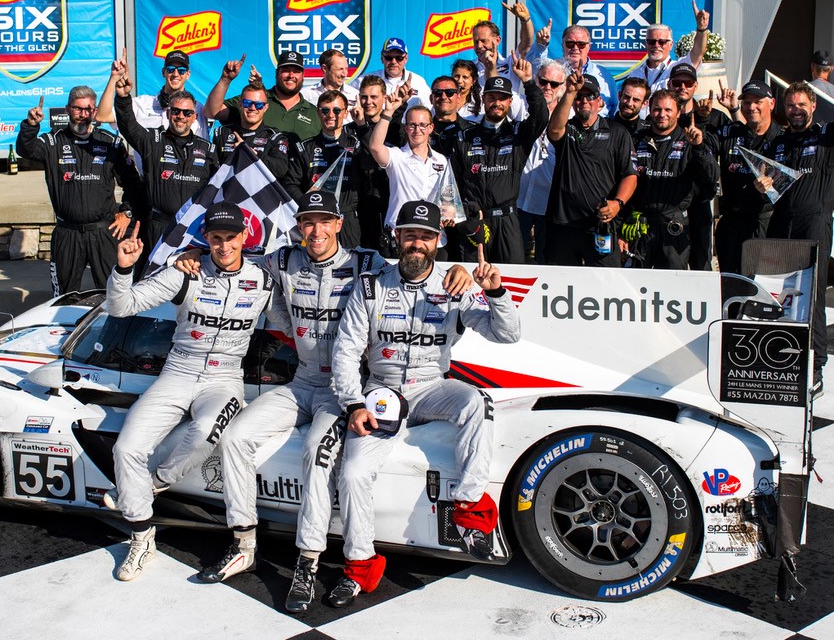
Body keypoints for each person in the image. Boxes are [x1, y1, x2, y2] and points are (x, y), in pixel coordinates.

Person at [187, 192, 472, 610]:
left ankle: (308, 562)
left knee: (315, 456)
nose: (316, 231)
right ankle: (244, 543)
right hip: (300, 381)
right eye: (308, 223)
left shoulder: (367, 263)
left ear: (339, 224)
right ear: (299, 227)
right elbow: (233, 257)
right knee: (235, 436)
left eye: (324, 222)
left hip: (343, 390)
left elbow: (413, 270)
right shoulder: (283, 261)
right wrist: (193, 253)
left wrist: (458, 270)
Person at [326, 200, 522, 607]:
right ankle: (359, 565)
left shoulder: (456, 285)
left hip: (433, 387)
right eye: (410, 235)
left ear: (438, 241)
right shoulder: (371, 286)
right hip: (381, 392)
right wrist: (352, 404)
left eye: (426, 236)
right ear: (397, 238)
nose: (417, 244)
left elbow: (508, 336)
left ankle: (469, 511)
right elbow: (345, 352)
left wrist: (496, 292)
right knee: (355, 471)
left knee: (476, 401)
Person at [102, 204, 274, 581]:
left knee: (208, 430)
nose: (224, 246)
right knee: (127, 447)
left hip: (224, 379)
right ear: (205, 238)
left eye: (231, 238)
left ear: (245, 237)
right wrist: (124, 268)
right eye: (215, 238)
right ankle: (142, 536)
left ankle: (155, 483)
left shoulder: (264, 280)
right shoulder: (185, 272)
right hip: (177, 372)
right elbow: (120, 306)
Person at [758, 43, 834, 396]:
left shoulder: (829, 134)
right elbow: (768, 182)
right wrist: (762, 184)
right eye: (790, 105)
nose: (795, 110)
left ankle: (816, 365)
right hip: (782, 222)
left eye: (801, 105)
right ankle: (779, 355)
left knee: (813, 296)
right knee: (778, 294)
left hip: (814, 223)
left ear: (813, 106)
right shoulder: (778, 144)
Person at [17, 86, 131, 294]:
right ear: (68, 110)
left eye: (88, 109)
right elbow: (25, 149)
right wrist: (31, 126)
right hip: (67, 234)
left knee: (113, 295)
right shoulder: (53, 141)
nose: (83, 114)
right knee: (64, 296)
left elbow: (132, 184)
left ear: (94, 112)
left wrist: (127, 212)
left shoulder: (110, 143)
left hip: (103, 233)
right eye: (78, 109)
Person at [110, 53, 216, 268]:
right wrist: (122, 98)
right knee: (149, 282)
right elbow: (128, 126)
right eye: (176, 112)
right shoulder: (153, 140)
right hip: (157, 225)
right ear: (169, 114)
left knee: (188, 285)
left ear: (194, 117)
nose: (181, 117)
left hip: (192, 228)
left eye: (187, 113)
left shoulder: (206, 149)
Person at [448, 56, 548, 264]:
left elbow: (541, 116)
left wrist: (529, 83)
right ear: (483, 100)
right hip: (475, 220)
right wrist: (462, 218)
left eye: (502, 98)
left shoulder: (519, 134)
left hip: (507, 221)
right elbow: (453, 182)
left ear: (510, 101)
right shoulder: (465, 136)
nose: (497, 103)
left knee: (513, 280)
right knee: (471, 282)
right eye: (492, 97)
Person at [544, 72, 637, 266]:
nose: (583, 100)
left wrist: (617, 203)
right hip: (564, 226)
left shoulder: (618, 132)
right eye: (579, 97)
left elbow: (630, 175)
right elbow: (553, 130)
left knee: (605, 287)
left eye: (590, 96)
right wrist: (570, 92)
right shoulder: (566, 128)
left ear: (600, 101)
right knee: (562, 288)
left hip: (600, 226)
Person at [625, 90, 718, 269]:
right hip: (640, 225)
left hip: (674, 225)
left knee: (671, 286)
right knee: (635, 287)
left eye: (668, 110)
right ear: (650, 110)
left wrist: (698, 148)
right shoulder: (636, 139)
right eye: (657, 109)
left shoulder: (691, 139)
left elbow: (712, 176)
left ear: (678, 112)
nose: (662, 114)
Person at [712, 80, 784, 275]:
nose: (751, 107)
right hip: (731, 225)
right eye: (746, 102)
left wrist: (770, 186)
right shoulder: (732, 134)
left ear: (771, 103)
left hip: (763, 224)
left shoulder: (783, 139)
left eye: (757, 101)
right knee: (729, 285)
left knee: (758, 289)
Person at [368, 91, 451, 256]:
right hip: (400, 237)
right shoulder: (397, 156)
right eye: (412, 125)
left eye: (422, 125)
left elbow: (448, 195)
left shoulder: (440, 160)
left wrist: (449, 213)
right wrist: (388, 112)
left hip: (432, 238)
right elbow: (375, 147)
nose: (417, 130)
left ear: (431, 128)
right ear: (405, 128)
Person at [668, 63, 729, 271]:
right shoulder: (663, 117)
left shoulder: (714, 117)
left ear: (695, 86)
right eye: (677, 83)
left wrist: (732, 109)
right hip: (671, 204)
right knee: (671, 266)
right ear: (669, 85)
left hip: (700, 203)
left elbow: (739, 140)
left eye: (688, 83)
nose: (682, 87)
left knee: (701, 265)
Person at [293, 89, 363, 247]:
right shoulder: (306, 147)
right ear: (318, 113)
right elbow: (290, 183)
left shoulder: (356, 143)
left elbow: (371, 166)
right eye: (325, 110)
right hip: (317, 220)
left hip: (348, 219)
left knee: (349, 267)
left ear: (345, 113)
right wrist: (307, 202)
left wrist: (362, 125)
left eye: (337, 110)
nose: (331, 115)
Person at [210, 73, 298, 195]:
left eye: (258, 105)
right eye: (247, 103)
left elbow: (280, 169)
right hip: (226, 199)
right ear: (240, 104)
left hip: (259, 203)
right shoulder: (222, 133)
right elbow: (210, 169)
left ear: (265, 107)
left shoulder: (275, 137)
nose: (252, 108)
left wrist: (252, 155)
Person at [206, 50, 320, 141]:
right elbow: (212, 112)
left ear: (303, 75)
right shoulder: (256, 101)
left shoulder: (315, 113)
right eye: (286, 70)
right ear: (276, 73)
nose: (291, 75)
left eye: (296, 71)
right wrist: (225, 79)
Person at [518, 60, 568, 262]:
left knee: (545, 262)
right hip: (519, 200)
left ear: (563, 88)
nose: (548, 87)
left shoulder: (570, 118)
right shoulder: (521, 107)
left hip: (549, 205)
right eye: (543, 81)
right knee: (515, 261)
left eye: (554, 84)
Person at [95, 48, 205, 136]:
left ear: (188, 74)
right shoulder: (142, 104)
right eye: (171, 69)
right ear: (163, 72)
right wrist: (114, 77)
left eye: (181, 71)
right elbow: (102, 116)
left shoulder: (197, 109)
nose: (176, 74)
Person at [348, 74, 401, 254]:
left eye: (373, 97)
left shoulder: (395, 129)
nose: (368, 102)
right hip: (356, 205)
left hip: (386, 204)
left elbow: (373, 158)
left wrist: (363, 127)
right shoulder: (349, 129)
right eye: (364, 97)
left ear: (384, 99)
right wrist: (360, 126)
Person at [623, 2, 710, 93]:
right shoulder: (635, 74)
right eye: (651, 42)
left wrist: (701, 29)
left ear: (671, 45)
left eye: (662, 42)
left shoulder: (679, 67)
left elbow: (698, 52)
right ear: (646, 44)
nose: (656, 45)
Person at [555, 25, 613, 114]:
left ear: (589, 46)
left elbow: (613, 106)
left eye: (581, 44)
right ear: (563, 45)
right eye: (570, 44)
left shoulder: (604, 74)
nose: (575, 48)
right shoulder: (553, 71)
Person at [377, 37, 431, 108]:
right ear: (382, 59)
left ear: (406, 59)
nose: (394, 62)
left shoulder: (418, 82)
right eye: (389, 58)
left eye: (399, 58)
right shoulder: (366, 80)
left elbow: (429, 109)